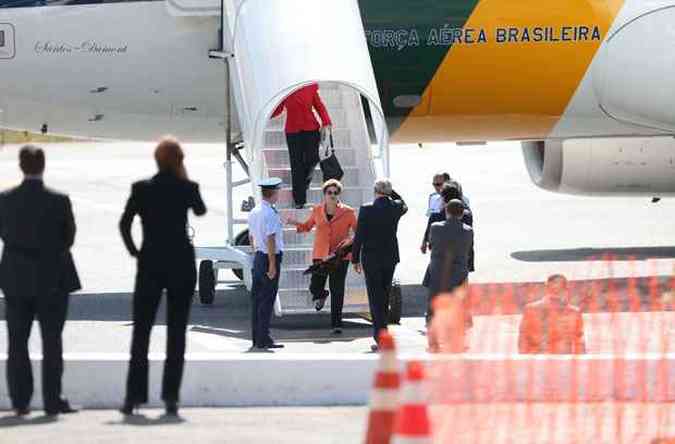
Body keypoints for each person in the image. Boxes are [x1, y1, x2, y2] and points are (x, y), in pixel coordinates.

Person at [119, 137, 207, 416]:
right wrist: (185, 177)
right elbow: (201, 210)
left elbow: (124, 224)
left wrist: (136, 252)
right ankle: (170, 397)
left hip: (150, 263)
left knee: (141, 331)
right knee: (176, 332)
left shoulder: (142, 188)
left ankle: (133, 398)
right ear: (179, 160)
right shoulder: (187, 187)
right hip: (180, 263)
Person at [0, 145, 81, 416]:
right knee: (52, 341)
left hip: (16, 276)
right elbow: (69, 238)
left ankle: (20, 402)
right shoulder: (59, 200)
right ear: (43, 166)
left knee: (17, 342)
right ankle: (52, 400)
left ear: (21, 166)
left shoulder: (5, 199)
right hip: (52, 277)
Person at [286, 179, 357, 334]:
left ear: (339, 194)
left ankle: (336, 324)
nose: (332, 195)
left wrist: (348, 246)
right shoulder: (317, 210)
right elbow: (307, 226)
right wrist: (293, 222)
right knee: (315, 286)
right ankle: (321, 295)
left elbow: (358, 233)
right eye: (329, 192)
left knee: (337, 289)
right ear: (324, 194)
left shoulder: (348, 212)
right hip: (320, 255)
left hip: (339, 257)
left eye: (335, 192)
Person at [351, 179, 407, 351]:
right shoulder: (396, 207)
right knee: (384, 293)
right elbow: (404, 204)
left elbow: (359, 235)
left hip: (371, 258)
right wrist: (392, 192)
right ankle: (384, 335)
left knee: (375, 298)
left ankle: (381, 336)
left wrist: (355, 258)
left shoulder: (367, 209)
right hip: (390, 257)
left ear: (375, 191)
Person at [271, 83, 332, 209]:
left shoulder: (309, 85)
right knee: (296, 165)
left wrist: (326, 121)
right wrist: (266, 111)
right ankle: (299, 200)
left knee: (313, 158)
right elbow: (278, 109)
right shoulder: (285, 88)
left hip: (311, 128)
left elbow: (319, 105)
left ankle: (303, 184)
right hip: (292, 131)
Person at [423, 199, 474, 328]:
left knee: (434, 302)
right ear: (462, 214)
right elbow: (467, 249)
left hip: (438, 271)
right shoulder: (468, 231)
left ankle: (432, 326)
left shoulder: (435, 227)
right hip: (458, 273)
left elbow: (431, 244)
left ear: (446, 211)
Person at [248, 177, 285, 350]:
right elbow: (271, 239)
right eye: (278, 191)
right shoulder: (269, 213)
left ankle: (257, 337)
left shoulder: (255, 210)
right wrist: (272, 264)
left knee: (257, 299)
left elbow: (251, 237)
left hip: (259, 256)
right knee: (267, 300)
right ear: (274, 193)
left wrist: (257, 253)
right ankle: (263, 339)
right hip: (269, 257)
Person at [518, 274, 586, 354]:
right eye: (553, 288)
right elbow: (523, 339)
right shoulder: (531, 309)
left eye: (559, 288)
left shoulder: (574, 312)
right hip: (540, 360)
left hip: (561, 361)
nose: (556, 291)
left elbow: (579, 341)